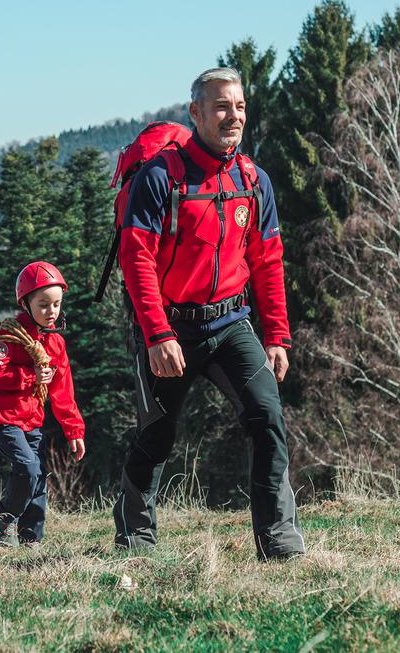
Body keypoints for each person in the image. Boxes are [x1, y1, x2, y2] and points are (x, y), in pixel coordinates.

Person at [113, 67, 305, 559]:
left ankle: (279, 543)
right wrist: (157, 334)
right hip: (169, 329)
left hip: (230, 323)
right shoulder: (160, 178)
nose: (233, 116)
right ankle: (136, 539)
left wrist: (277, 336)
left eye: (240, 106)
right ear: (195, 112)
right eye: (221, 106)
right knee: (156, 435)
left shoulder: (253, 181)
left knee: (267, 418)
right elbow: (136, 259)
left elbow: (268, 262)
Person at [0, 261, 85, 547]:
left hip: (32, 418)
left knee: (38, 476)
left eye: (56, 304)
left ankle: (30, 538)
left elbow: (63, 392)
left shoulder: (56, 344)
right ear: (25, 303)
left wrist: (74, 431)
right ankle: (6, 518)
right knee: (28, 468)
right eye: (43, 305)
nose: (51, 312)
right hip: (2, 417)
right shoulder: (10, 337)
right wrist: (29, 376)